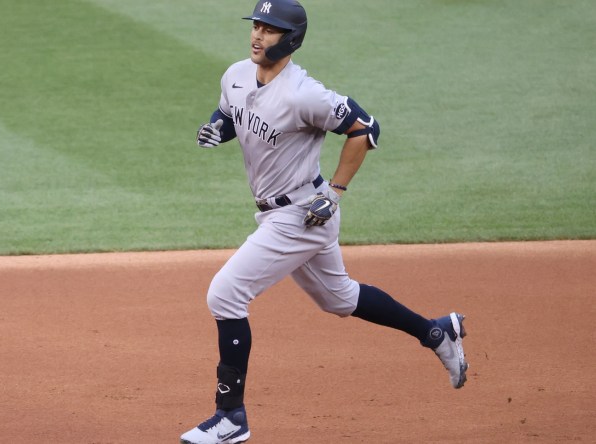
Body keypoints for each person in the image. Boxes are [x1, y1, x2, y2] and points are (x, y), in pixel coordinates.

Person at [180, 1, 469, 443]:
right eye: (256, 25)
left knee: (225, 294)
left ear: (291, 38)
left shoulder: (305, 94)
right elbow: (231, 113)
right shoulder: (236, 74)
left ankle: (230, 417)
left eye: (270, 29)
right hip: (276, 211)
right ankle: (436, 332)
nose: (258, 35)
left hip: (303, 214)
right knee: (341, 297)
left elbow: (365, 129)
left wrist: (334, 193)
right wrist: (217, 129)